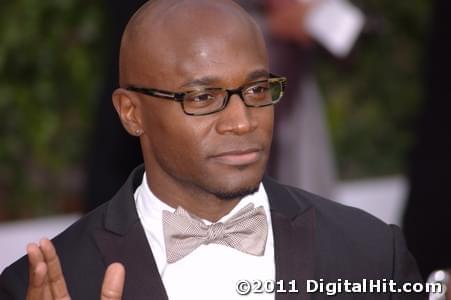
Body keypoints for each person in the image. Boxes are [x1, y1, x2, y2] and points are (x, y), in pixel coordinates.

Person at [0, 0, 424, 299]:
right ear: (132, 113)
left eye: (257, 89)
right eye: (201, 98)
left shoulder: (370, 255)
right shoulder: (48, 284)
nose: (242, 121)